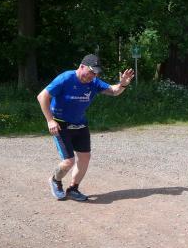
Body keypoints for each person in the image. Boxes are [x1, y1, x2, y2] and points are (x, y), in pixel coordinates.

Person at [37, 54, 134, 202]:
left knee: (85, 157)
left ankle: (73, 189)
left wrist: (123, 84)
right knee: (68, 161)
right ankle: (55, 180)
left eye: (95, 73)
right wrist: (50, 121)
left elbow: (114, 91)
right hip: (61, 123)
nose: (92, 76)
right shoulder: (66, 78)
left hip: (80, 124)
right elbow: (42, 96)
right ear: (82, 66)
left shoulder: (93, 82)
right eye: (91, 72)